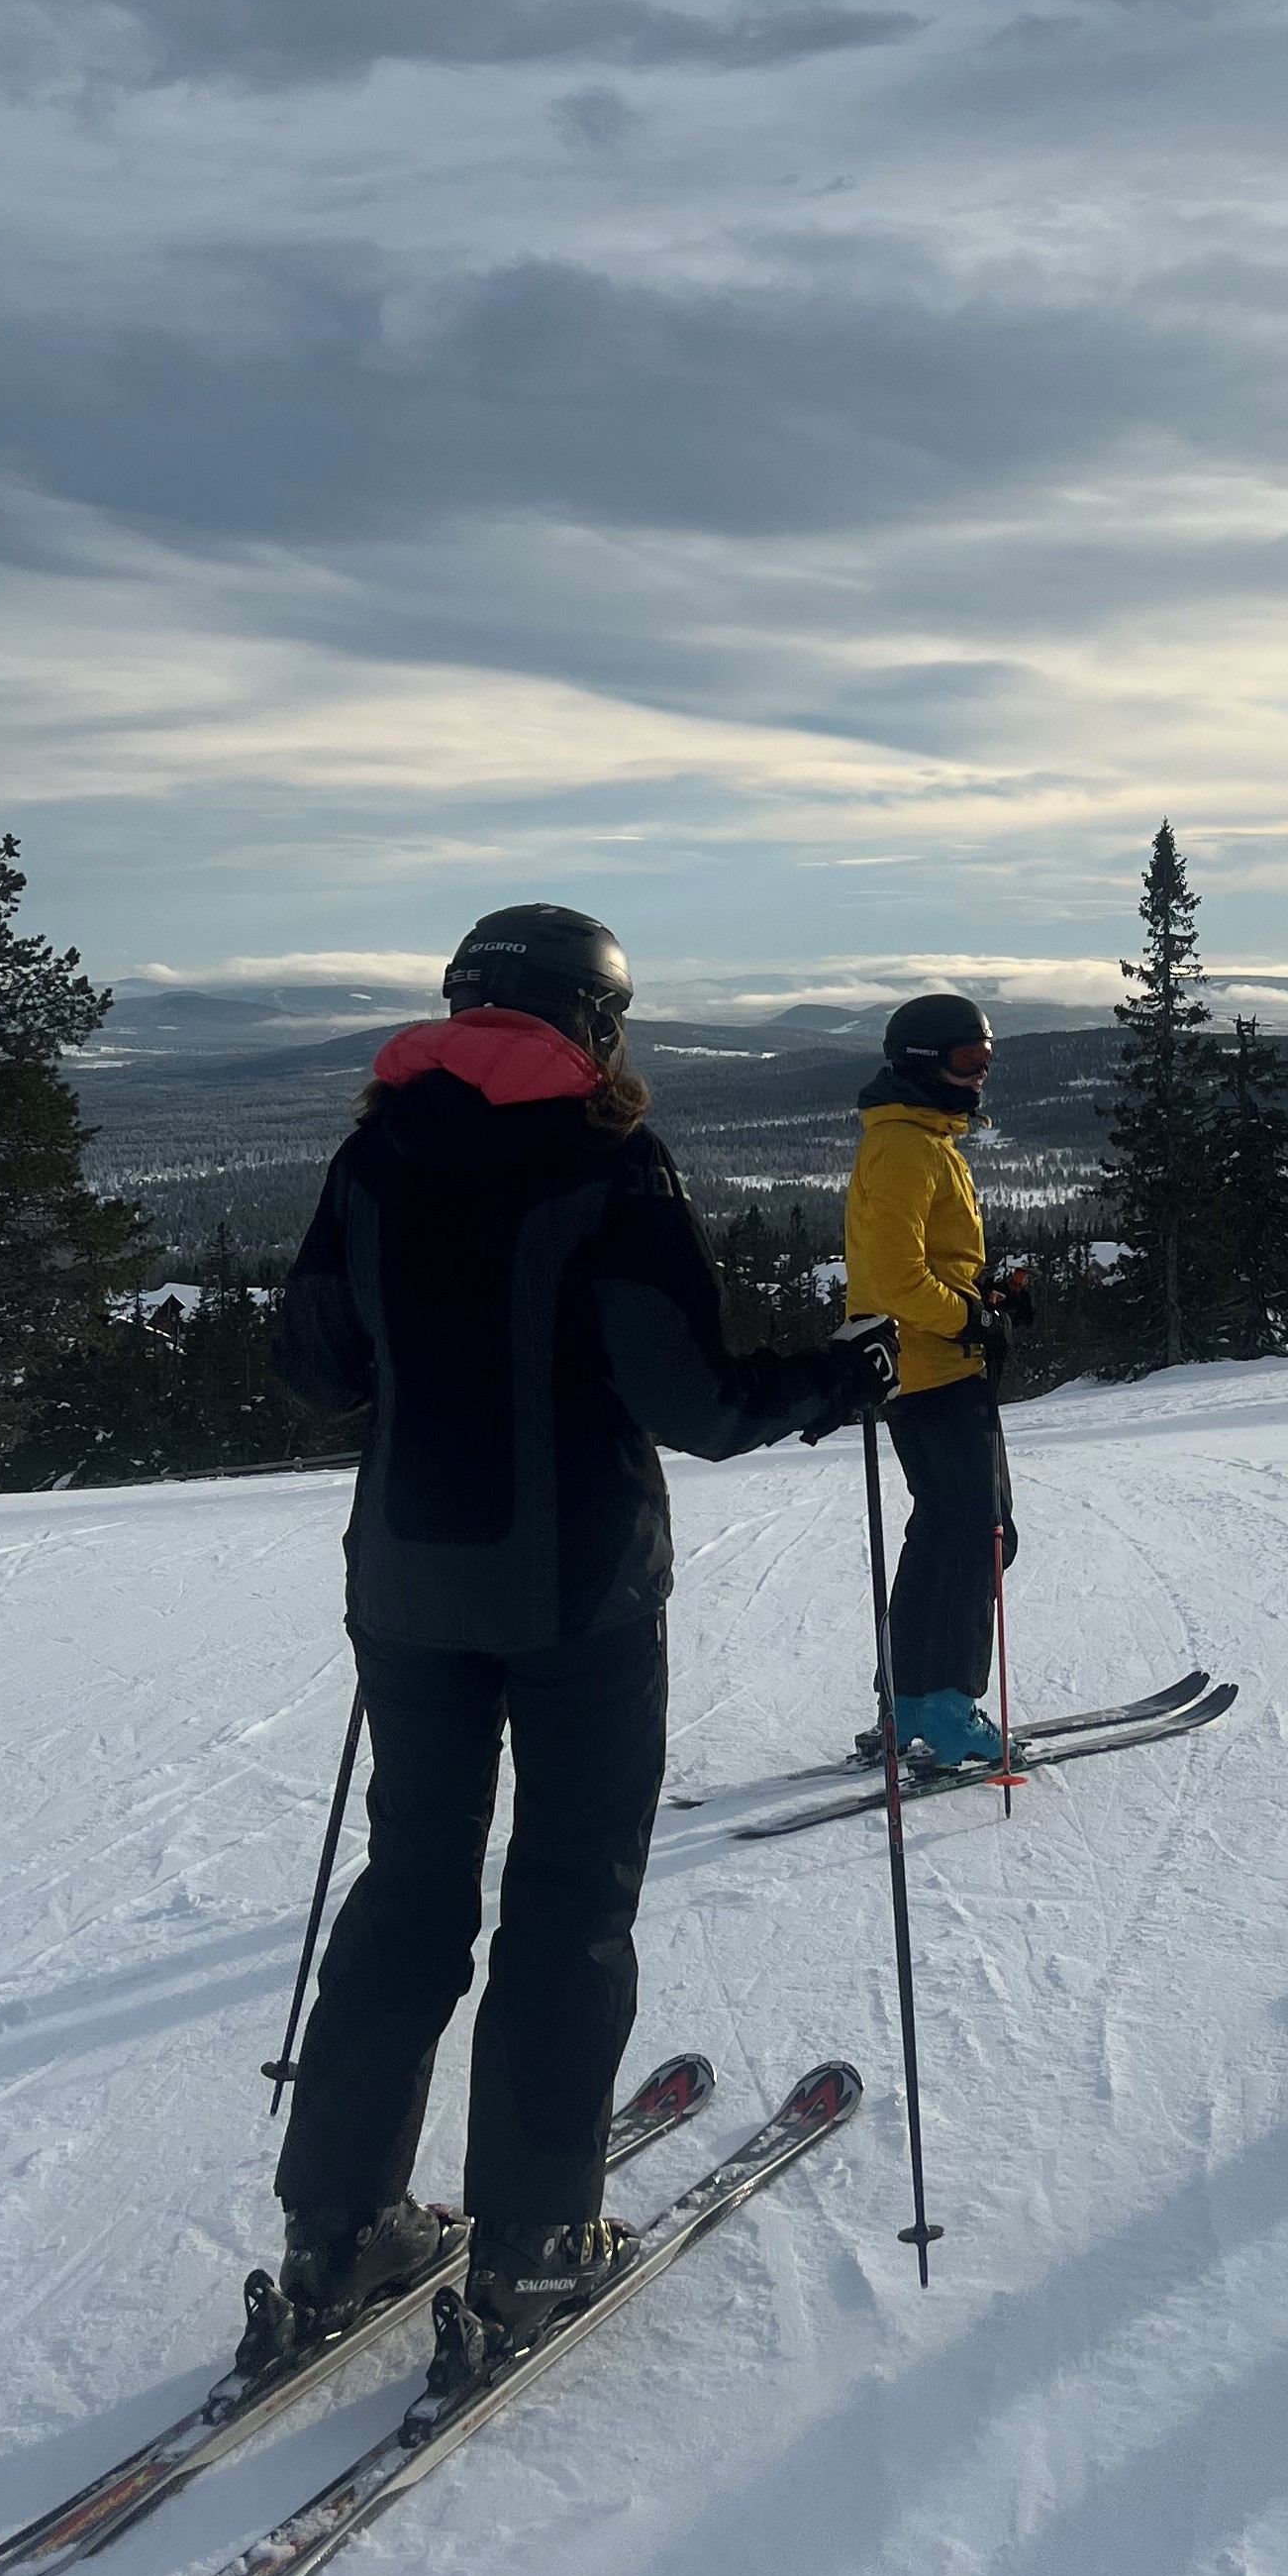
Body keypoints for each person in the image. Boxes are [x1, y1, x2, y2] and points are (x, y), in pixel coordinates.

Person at [262, 903, 897, 2357]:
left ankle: (338, 2225)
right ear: (596, 1022)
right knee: (567, 1894)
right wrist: (839, 1381)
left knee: (410, 1886)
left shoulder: (373, 1155)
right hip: (579, 1594)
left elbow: (314, 1369)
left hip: (409, 1588)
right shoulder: (613, 1165)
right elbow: (695, 1401)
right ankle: (534, 2244)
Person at [842, 989, 1022, 1771]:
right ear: (926, 1063)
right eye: (965, 1059)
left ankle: (908, 1699)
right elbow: (891, 1277)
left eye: (986, 1058)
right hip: (932, 1371)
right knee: (978, 1537)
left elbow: (928, 1265)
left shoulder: (920, 1139)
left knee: (946, 1533)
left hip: (931, 1367)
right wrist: (967, 1319)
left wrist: (986, 1300)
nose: (979, 1074)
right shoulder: (909, 1147)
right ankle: (945, 1706)